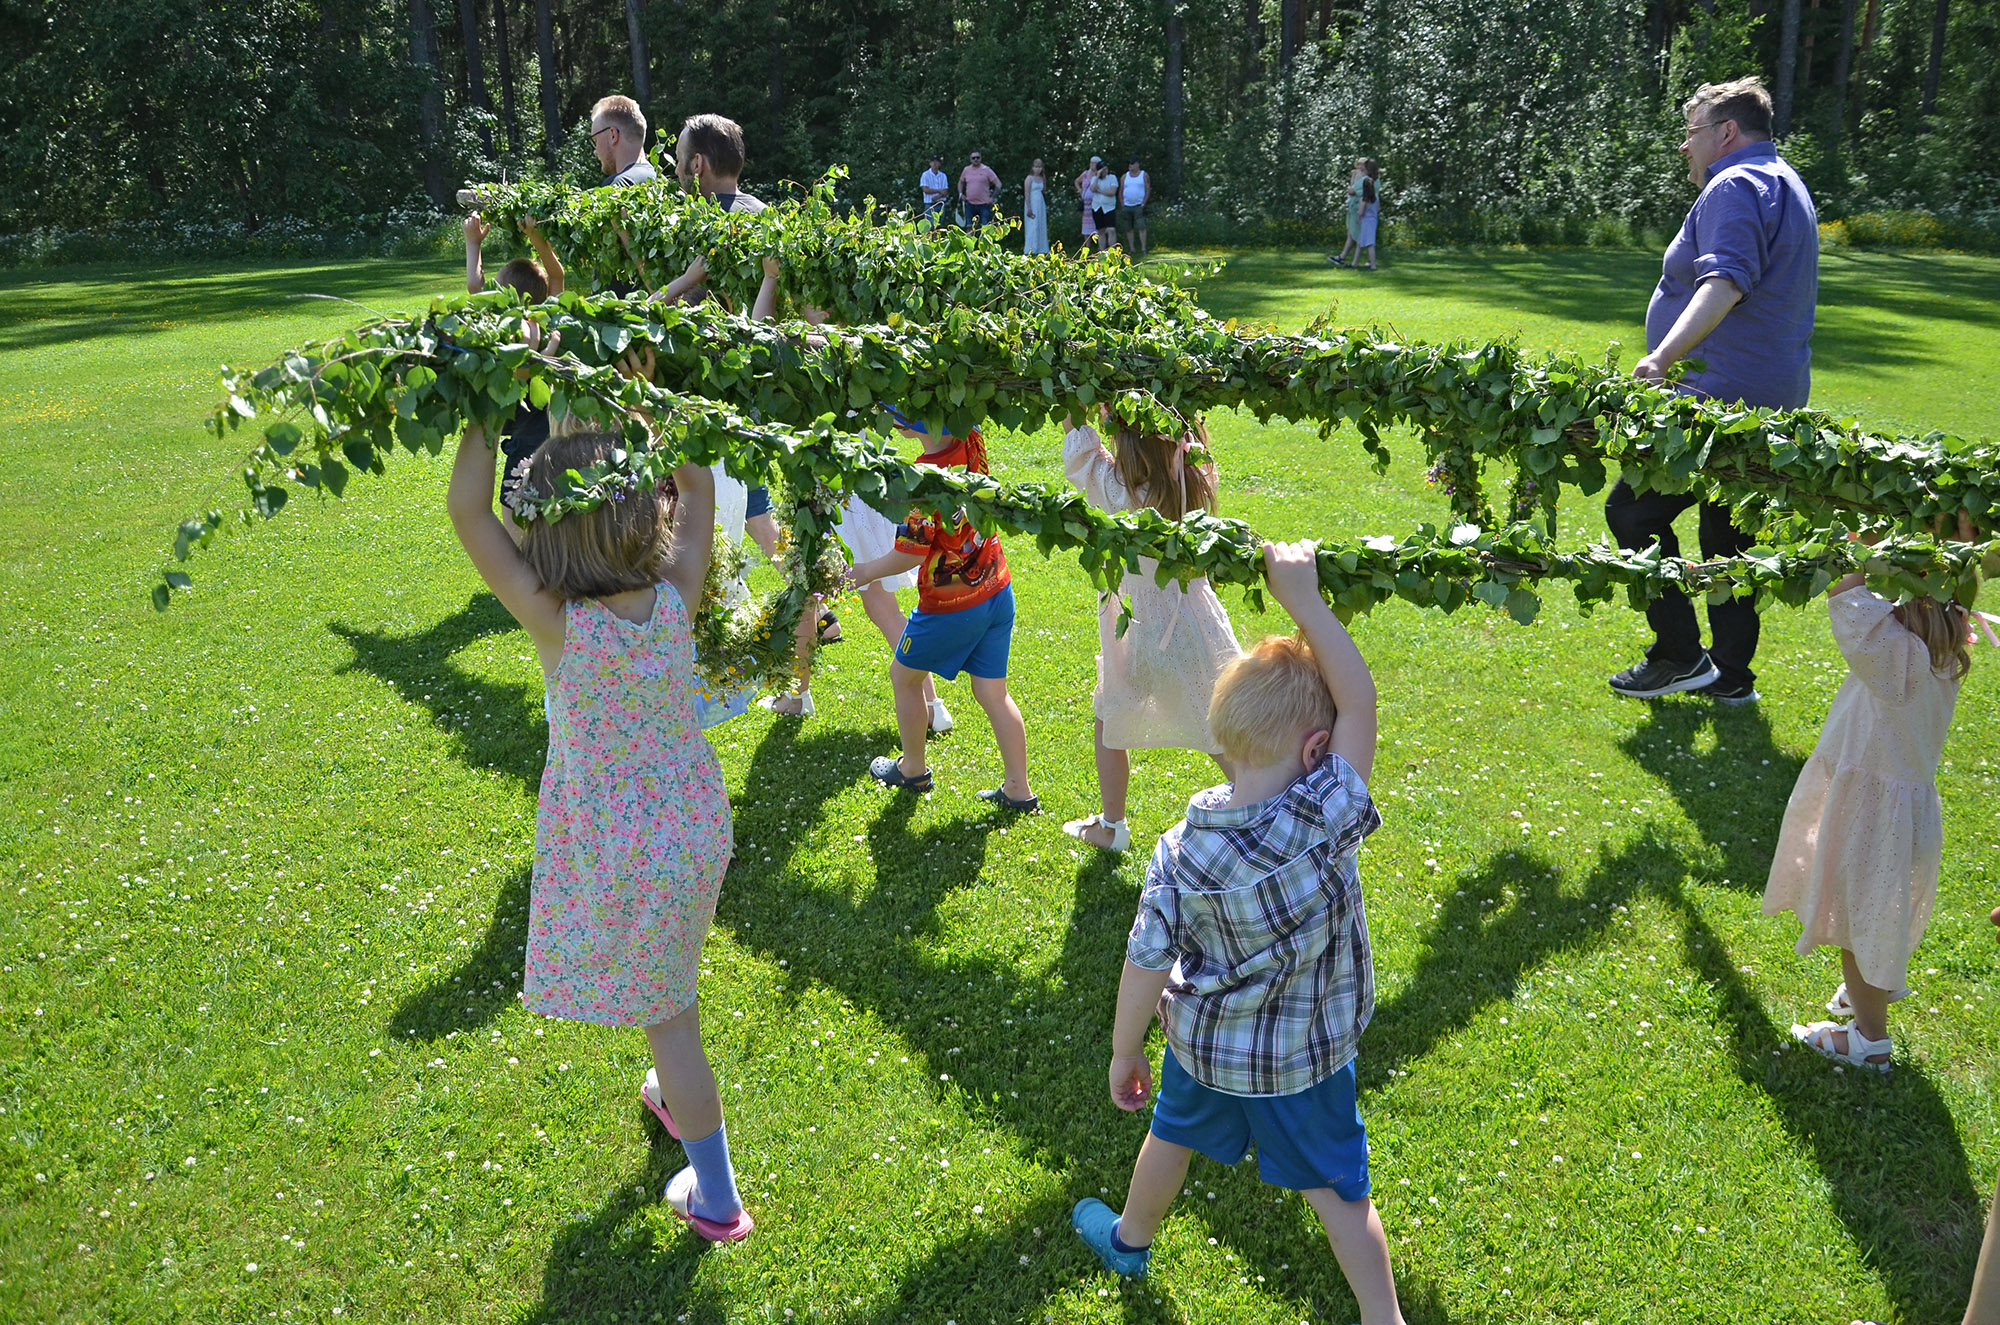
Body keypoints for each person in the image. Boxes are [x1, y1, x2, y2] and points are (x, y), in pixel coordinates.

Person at [1071, 540, 1405, 1325]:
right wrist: (1305, 601)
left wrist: (1126, 1050)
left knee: (1170, 1135)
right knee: (1339, 1192)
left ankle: (1129, 1238)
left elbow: (1145, 960)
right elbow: (1361, 704)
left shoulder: (1179, 850)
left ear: (1223, 740)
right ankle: (1384, 1319)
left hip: (1207, 1049)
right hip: (1307, 1058)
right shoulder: (1327, 812)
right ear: (1316, 750)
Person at [445, 416, 751, 1244]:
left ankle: (718, 1198)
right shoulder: (676, 597)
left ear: (548, 535)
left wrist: (483, 402)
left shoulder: (559, 624)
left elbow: (469, 512)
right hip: (694, 824)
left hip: (626, 849)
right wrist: (673, 408)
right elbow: (698, 486)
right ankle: (670, 1089)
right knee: (670, 980)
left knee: (671, 1012)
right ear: (643, 510)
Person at [1605, 77, 1818, 705]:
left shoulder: (1735, 184)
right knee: (1728, 538)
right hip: (1766, 399)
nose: (1684, 147)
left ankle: (1678, 654)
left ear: (1727, 133)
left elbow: (1725, 281)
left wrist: (1662, 357)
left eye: (1692, 132)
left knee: (1632, 512)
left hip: (1716, 398)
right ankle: (1731, 676)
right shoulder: (1785, 181)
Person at [1762, 530, 1972, 1073]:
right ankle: (1862, 1000)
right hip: (1898, 812)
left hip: (1872, 816)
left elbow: (1846, 597)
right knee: (1870, 916)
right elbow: (1956, 588)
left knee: (1860, 925)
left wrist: (1861, 542)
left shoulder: (1891, 658)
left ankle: (1869, 1040)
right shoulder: (1943, 649)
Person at [1059, 411, 1240, 852]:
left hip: (1134, 623)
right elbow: (1187, 436)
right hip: (1193, 620)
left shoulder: (1118, 490)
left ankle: (1112, 824)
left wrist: (1078, 406)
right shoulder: (1193, 479)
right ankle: (1271, 806)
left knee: (1110, 714)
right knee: (1219, 724)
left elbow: (1081, 453)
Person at [852, 409, 1036, 812]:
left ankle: (913, 768)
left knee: (904, 676)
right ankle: (1019, 791)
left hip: (950, 604)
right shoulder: (971, 436)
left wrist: (866, 570)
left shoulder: (923, 478)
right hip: (995, 586)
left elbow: (909, 553)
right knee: (992, 691)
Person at [654, 112, 786, 567]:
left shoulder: (703, 227)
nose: (674, 170)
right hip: (752, 386)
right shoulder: (764, 215)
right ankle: (816, 599)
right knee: (751, 501)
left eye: (680, 160)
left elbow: (661, 309)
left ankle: (700, 598)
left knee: (697, 498)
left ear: (698, 166)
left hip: (705, 389)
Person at [758, 474, 953, 737]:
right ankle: (932, 705)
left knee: (804, 598)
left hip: (825, 501)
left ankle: (796, 698)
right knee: (884, 609)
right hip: (864, 495)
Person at [463, 211, 565, 539]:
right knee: (548, 507)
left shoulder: (501, 334)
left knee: (514, 511)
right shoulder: (548, 321)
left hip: (522, 440)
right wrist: (537, 237)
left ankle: (524, 567)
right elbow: (557, 276)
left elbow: (474, 287)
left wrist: (473, 244)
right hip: (549, 435)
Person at [1331, 160, 1369, 267]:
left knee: (1359, 235)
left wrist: (1355, 192)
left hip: (1359, 208)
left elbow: (1367, 193)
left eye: (1361, 164)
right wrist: (1353, 180)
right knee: (1351, 234)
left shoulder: (1368, 179)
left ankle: (1368, 260)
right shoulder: (1357, 176)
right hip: (1352, 208)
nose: (1359, 167)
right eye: (1358, 164)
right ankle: (1342, 257)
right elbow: (1352, 187)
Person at [1117, 156, 1151, 256]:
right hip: (1127, 206)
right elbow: (1121, 190)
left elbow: (1148, 189)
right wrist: (1122, 203)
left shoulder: (1144, 175)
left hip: (1139, 205)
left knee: (1141, 227)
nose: (1130, 166)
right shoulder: (1124, 176)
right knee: (1128, 228)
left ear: (1137, 164)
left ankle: (1143, 248)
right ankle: (1132, 249)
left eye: (1132, 164)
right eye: (1129, 164)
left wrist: (1144, 203)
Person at [958, 151, 1002, 229]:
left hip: (984, 204)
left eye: (977, 157)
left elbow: (998, 184)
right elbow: (961, 182)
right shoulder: (966, 170)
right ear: (970, 159)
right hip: (969, 204)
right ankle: (970, 241)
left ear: (981, 158)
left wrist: (992, 198)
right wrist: (961, 194)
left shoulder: (986, 170)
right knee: (969, 228)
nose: (976, 159)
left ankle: (984, 241)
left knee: (985, 228)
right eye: (973, 158)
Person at [1090, 161, 1120, 253]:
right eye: (1102, 170)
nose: (1105, 171)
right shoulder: (1095, 178)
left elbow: (1112, 192)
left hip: (1109, 207)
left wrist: (1099, 191)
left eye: (1106, 169)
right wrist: (1097, 176)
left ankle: (1112, 252)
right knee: (1101, 230)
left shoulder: (1112, 178)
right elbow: (1092, 189)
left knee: (1111, 229)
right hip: (1097, 207)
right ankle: (1102, 251)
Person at [1022, 159, 1051, 255]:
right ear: (1032, 168)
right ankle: (1031, 248)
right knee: (1032, 225)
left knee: (1041, 224)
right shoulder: (1029, 178)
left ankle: (1042, 248)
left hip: (1040, 203)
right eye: (1036, 167)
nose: (1038, 169)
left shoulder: (1042, 178)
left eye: (1040, 167)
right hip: (1032, 202)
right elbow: (1027, 193)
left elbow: (1044, 190)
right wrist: (1029, 207)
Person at [1076, 159, 1104, 253]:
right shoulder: (1085, 174)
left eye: (1094, 163)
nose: (1092, 164)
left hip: (1096, 202)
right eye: (1091, 162)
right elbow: (1077, 181)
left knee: (1097, 224)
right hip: (1086, 204)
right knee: (1086, 225)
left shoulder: (1100, 174)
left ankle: (1099, 247)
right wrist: (1080, 190)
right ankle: (1086, 248)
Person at [920, 154, 950, 227]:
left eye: (936, 162)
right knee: (929, 227)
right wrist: (939, 191)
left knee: (938, 226)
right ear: (930, 163)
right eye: (933, 162)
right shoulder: (925, 175)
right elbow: (925, 189)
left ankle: (936, 238)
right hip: (929, 204)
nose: (935, 164)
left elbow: (946, 191)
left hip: (940, 203)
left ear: (939, 164)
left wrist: (938, 196)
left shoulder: (943, 175)